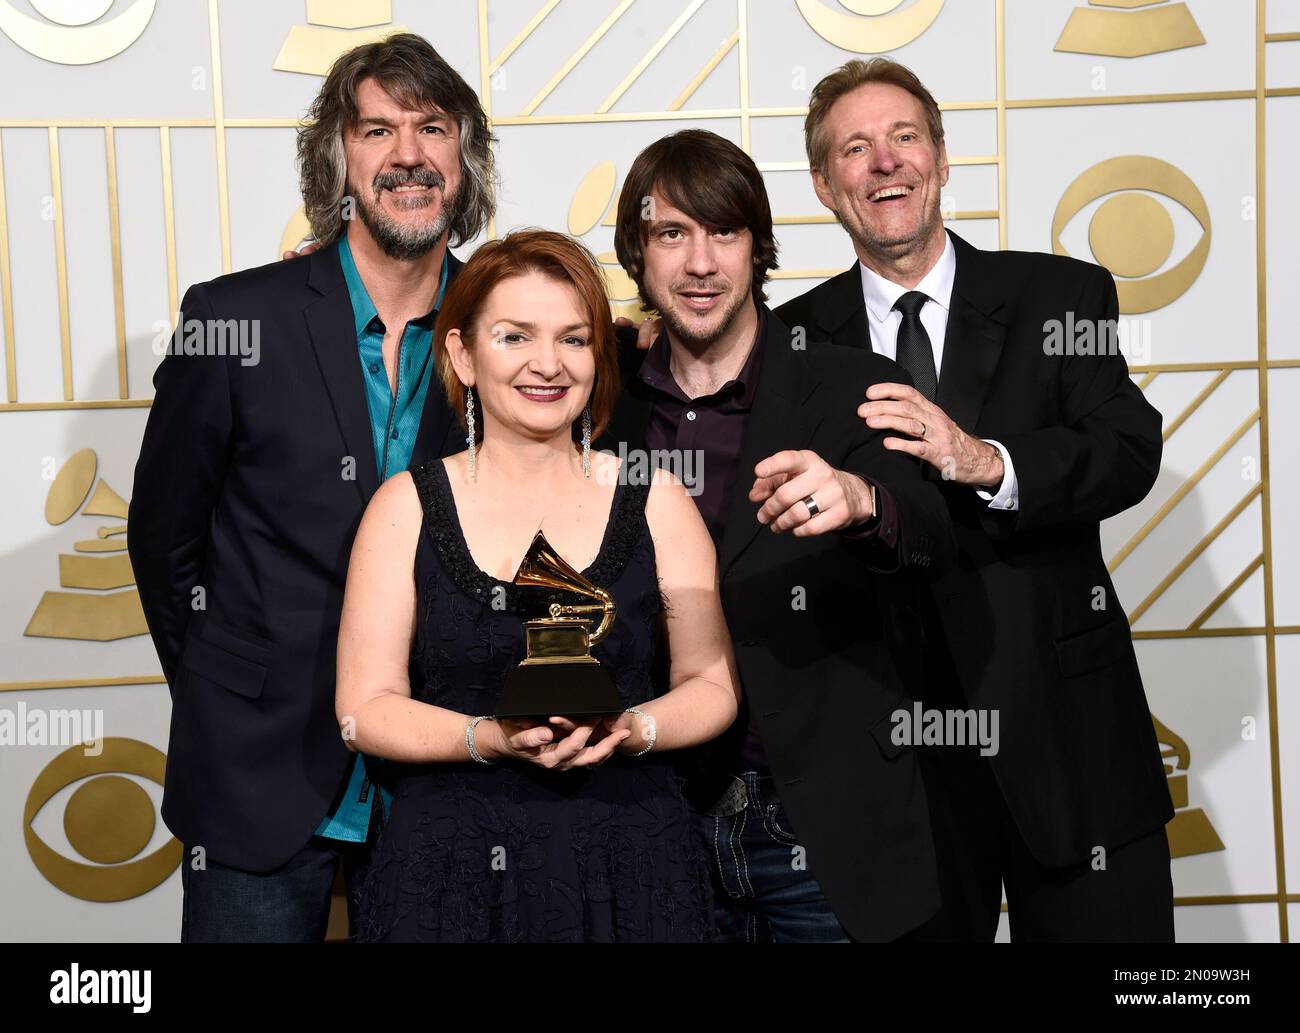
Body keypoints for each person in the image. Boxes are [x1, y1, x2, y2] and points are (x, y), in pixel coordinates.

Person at [775, 58, 1174, 941]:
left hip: (1072, 756)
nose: (885, 163)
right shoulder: (790, 342)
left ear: (943, 160)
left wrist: (983, 459)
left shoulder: (1058, 296)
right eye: (855, 148)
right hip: (897, 781)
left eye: (904, 139)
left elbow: (1126, 450)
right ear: (823, 184)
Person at [128, 33, 493, 941]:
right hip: (255, 774)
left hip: (444, 778)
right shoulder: (233, 319)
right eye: (376, 130)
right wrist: (227, 690)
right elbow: (162, 539)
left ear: (464, 158)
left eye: (432, 127)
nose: (407, 154)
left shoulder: (507, 329)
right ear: (337, 160)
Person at [337, 229, 739, 942]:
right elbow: (364, 708)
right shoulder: (405, 506)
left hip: (634, 864)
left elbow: (711, 684)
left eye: (574, 339)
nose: (546, 364)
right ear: (462, 353)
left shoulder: (656, 498)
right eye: (515, 337)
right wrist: (487, 737)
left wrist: (631, 728)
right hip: (450, 876)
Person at [602, 129, 955, 942]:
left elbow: (934, 533)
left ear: (759, 248)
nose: (700, 263)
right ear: (636, 253)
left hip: (822, 828)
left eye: (724, 232)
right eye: (671, 233)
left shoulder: (848, 382)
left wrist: (863, 500)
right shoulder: (597, 405)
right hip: (656, 820)